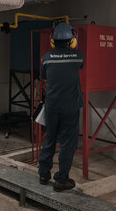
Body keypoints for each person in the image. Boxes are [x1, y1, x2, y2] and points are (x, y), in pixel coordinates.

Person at [38, 22, 83, 192]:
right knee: (67, 144)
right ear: (72, 41)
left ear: (52, 41)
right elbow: (79, 67)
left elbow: (44, 77)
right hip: (70, 107)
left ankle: (43, 174)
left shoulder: (47, 57)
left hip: (51, 106)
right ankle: (61, 180)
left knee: (49, 139)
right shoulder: (78, 56)